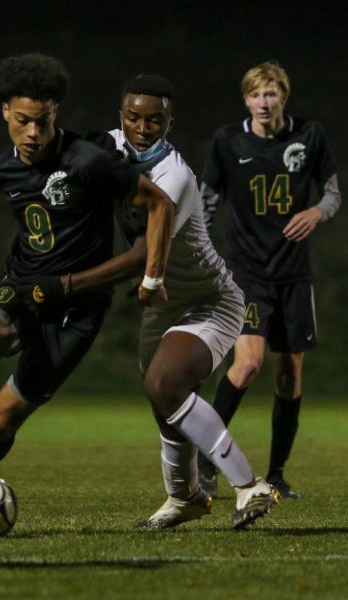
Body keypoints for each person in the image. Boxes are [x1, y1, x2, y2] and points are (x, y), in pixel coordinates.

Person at [0, 53, 175, 533]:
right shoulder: (2, 167)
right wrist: (30, 282)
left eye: (42, 122)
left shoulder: (90, 160)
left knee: (1, 421)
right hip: (22, 286)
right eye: (22, 121)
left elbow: (157, 210)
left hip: (77, 310)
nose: (33, 133)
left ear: (56, 114)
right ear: (5, 112)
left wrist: (149, 278)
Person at [101, 74, 278, 530]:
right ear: (121, 116)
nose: (143, 127)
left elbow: (143, 254)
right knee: (164, 401)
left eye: (154, 120)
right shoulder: (110, 146)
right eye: (134, 117)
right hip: (162, 305)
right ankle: (184, 497)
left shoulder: (174, 176)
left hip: (209, 299)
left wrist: (67, 285)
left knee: (164, 383)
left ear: (169, 123)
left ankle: (247, 484)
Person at [198, 61, 342, 499]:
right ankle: (205, 464)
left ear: (284, 97)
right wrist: (201, 258)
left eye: (272, 94)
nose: (264, 102)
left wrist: (316, 212)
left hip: (293, 274)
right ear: (246, 100)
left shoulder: (309, 136)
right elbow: (206, 203)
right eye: (256, 95)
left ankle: (277, 474)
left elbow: (333, 193)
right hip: (246, 272)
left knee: (290, 376)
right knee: (248, 363)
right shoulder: (228, 140)